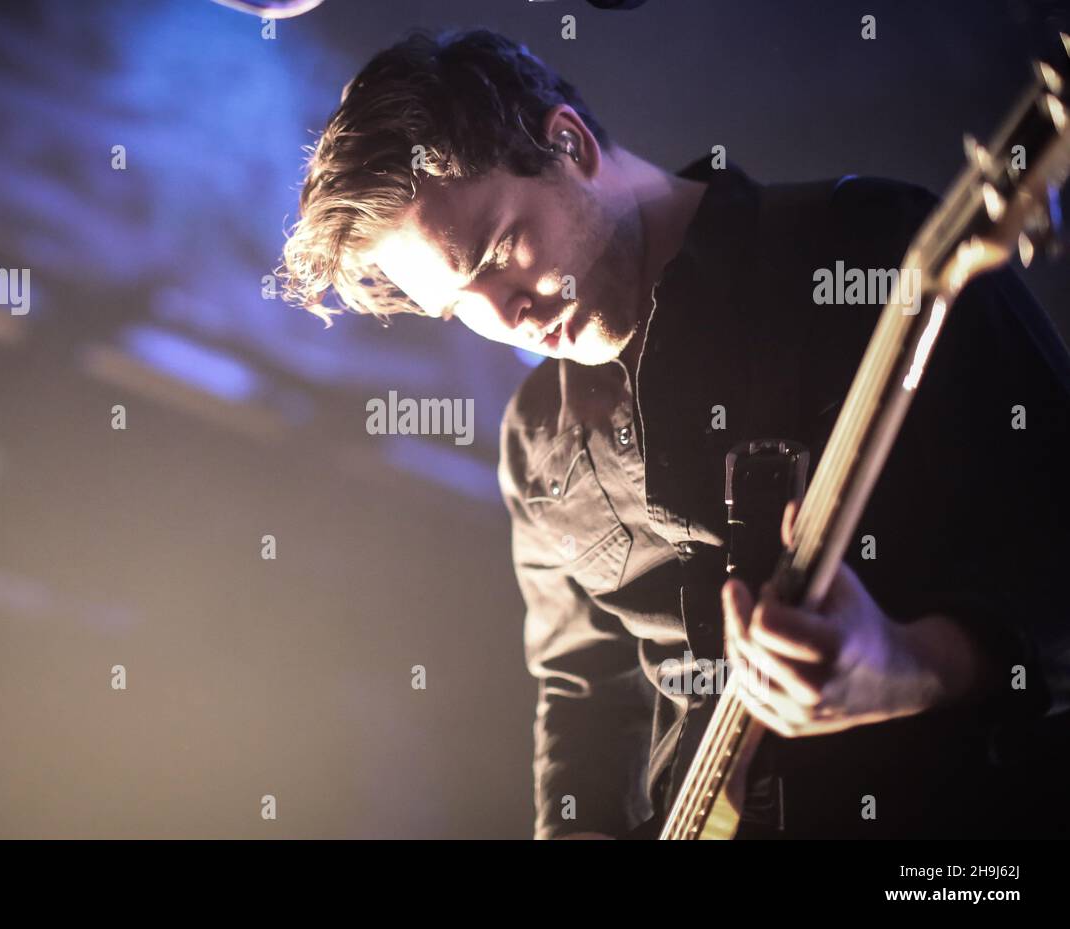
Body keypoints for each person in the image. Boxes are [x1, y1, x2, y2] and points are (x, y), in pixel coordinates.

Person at [279, 28, 1070, 839]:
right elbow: (584, 693)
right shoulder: (534, 440)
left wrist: (913, 668)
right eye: (458, 303)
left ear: (568, 144)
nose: (502, 314)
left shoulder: (869, 246)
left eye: (498, 251)